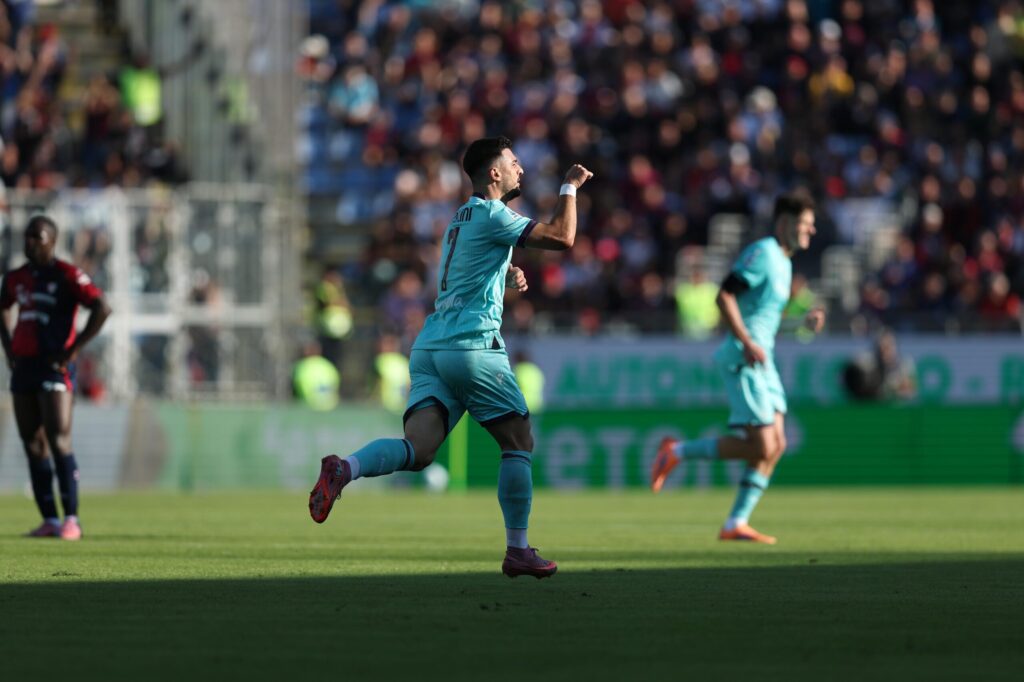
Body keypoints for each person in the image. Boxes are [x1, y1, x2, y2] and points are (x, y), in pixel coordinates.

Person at [309, 136, 593, 578]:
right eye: (514, 162)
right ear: (494, 173)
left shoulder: (458, 220)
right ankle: (518, 549)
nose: (521, 168)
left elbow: (470, 271)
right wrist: (570, 187)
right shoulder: (495, 213)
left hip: (430, 347)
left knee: (418, 451)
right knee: (517, 442)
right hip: (471, 346)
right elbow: (563, 237)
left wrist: (506, 271)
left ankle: (346, 468)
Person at [650, 192, 825, 545]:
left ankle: (735, 523)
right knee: (763, 445)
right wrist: (746, 341)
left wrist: (800, 323)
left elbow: (766, 320)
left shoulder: (786, 263)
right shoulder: (763, 253)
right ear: (786, 223)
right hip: (743, 357)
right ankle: (675, 452)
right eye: (806, 223)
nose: (812, 230)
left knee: (776, 446)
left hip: (764, 358)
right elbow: (724, 295)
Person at [0, 216, 112, 540]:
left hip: (54, 366)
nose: (30, 242)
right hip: (24, 366)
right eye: (27, 235)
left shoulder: (66, 275)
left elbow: (102, 306)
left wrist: (74, 348)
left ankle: (71, 519)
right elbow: (1, 307)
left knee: (59, 439)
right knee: (33, 444)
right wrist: (8, 348)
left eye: (37, 236)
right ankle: (49, 519)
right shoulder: (16, 277)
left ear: (52, 240)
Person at [292, 339, 341, 411]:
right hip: (329, 406)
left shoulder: (301, 366)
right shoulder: (328, 365)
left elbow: (296, 386)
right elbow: (336, 382)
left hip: (309, 406)